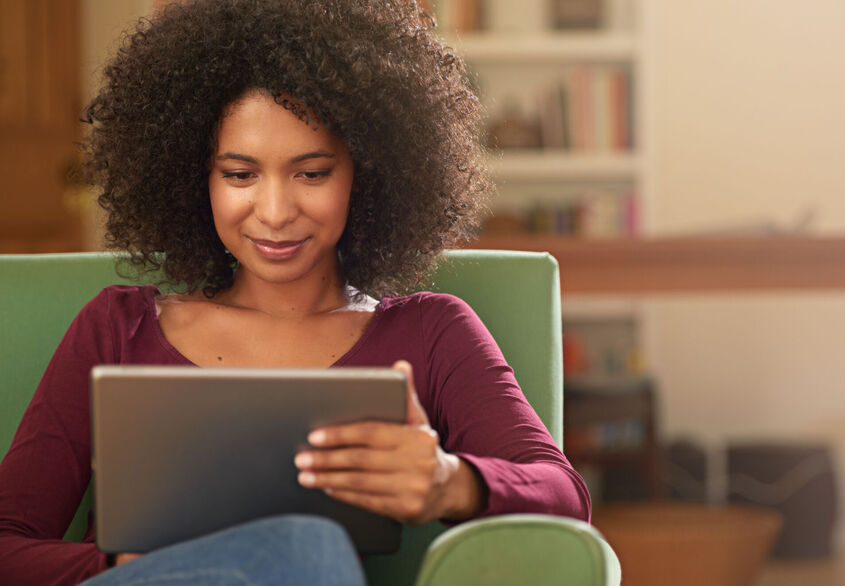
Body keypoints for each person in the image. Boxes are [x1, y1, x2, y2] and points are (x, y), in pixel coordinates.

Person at [0, 0, 591, 584]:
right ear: (192, 176)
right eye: (239, 174)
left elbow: (565, 498)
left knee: (312, 547)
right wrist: (129, 568)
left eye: (312, 173)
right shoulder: (117, 326)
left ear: (367, 171)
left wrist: (447, 480)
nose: (276, 212)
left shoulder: (433, 332)